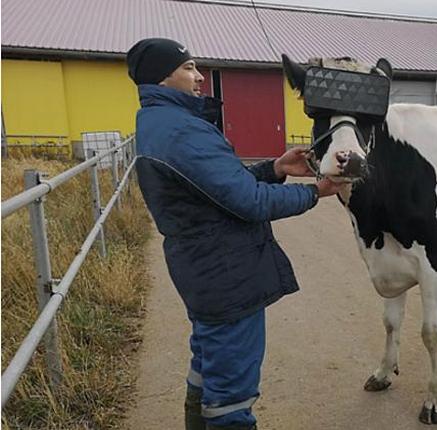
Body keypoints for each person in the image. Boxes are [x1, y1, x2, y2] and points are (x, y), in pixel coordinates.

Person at [126, 38, 344, 430]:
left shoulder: (162, 123)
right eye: (189, 67)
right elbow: (250, 202)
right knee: (231, 397)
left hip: (203, 269)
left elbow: (219, 187)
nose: (199, 76)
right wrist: (315, 193)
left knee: (207, 367)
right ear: (163, 76)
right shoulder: (182, 132)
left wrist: (275, 168)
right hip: (225, 274)